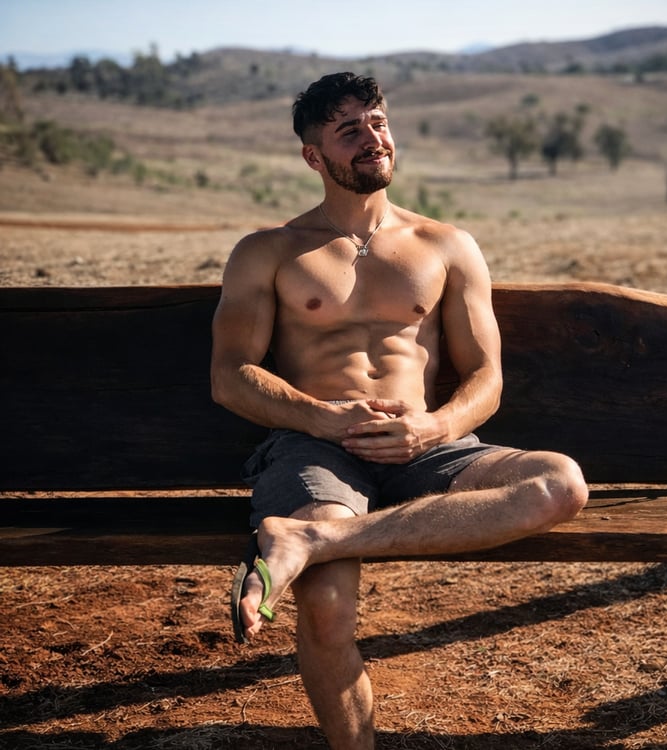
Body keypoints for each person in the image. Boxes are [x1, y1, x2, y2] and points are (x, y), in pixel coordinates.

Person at [210, 71, 588, 749]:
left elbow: (486, 377)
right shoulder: (268, 251)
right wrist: (323, 417)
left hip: (427, 444)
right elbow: (230, 377)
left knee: (560, 484)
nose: (372, 138)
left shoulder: (446, 244)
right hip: (316, 447)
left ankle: (308, 541)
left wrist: (434, 426)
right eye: (348, 130)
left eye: (377, 122)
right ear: (313, 156)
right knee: (326, 608)